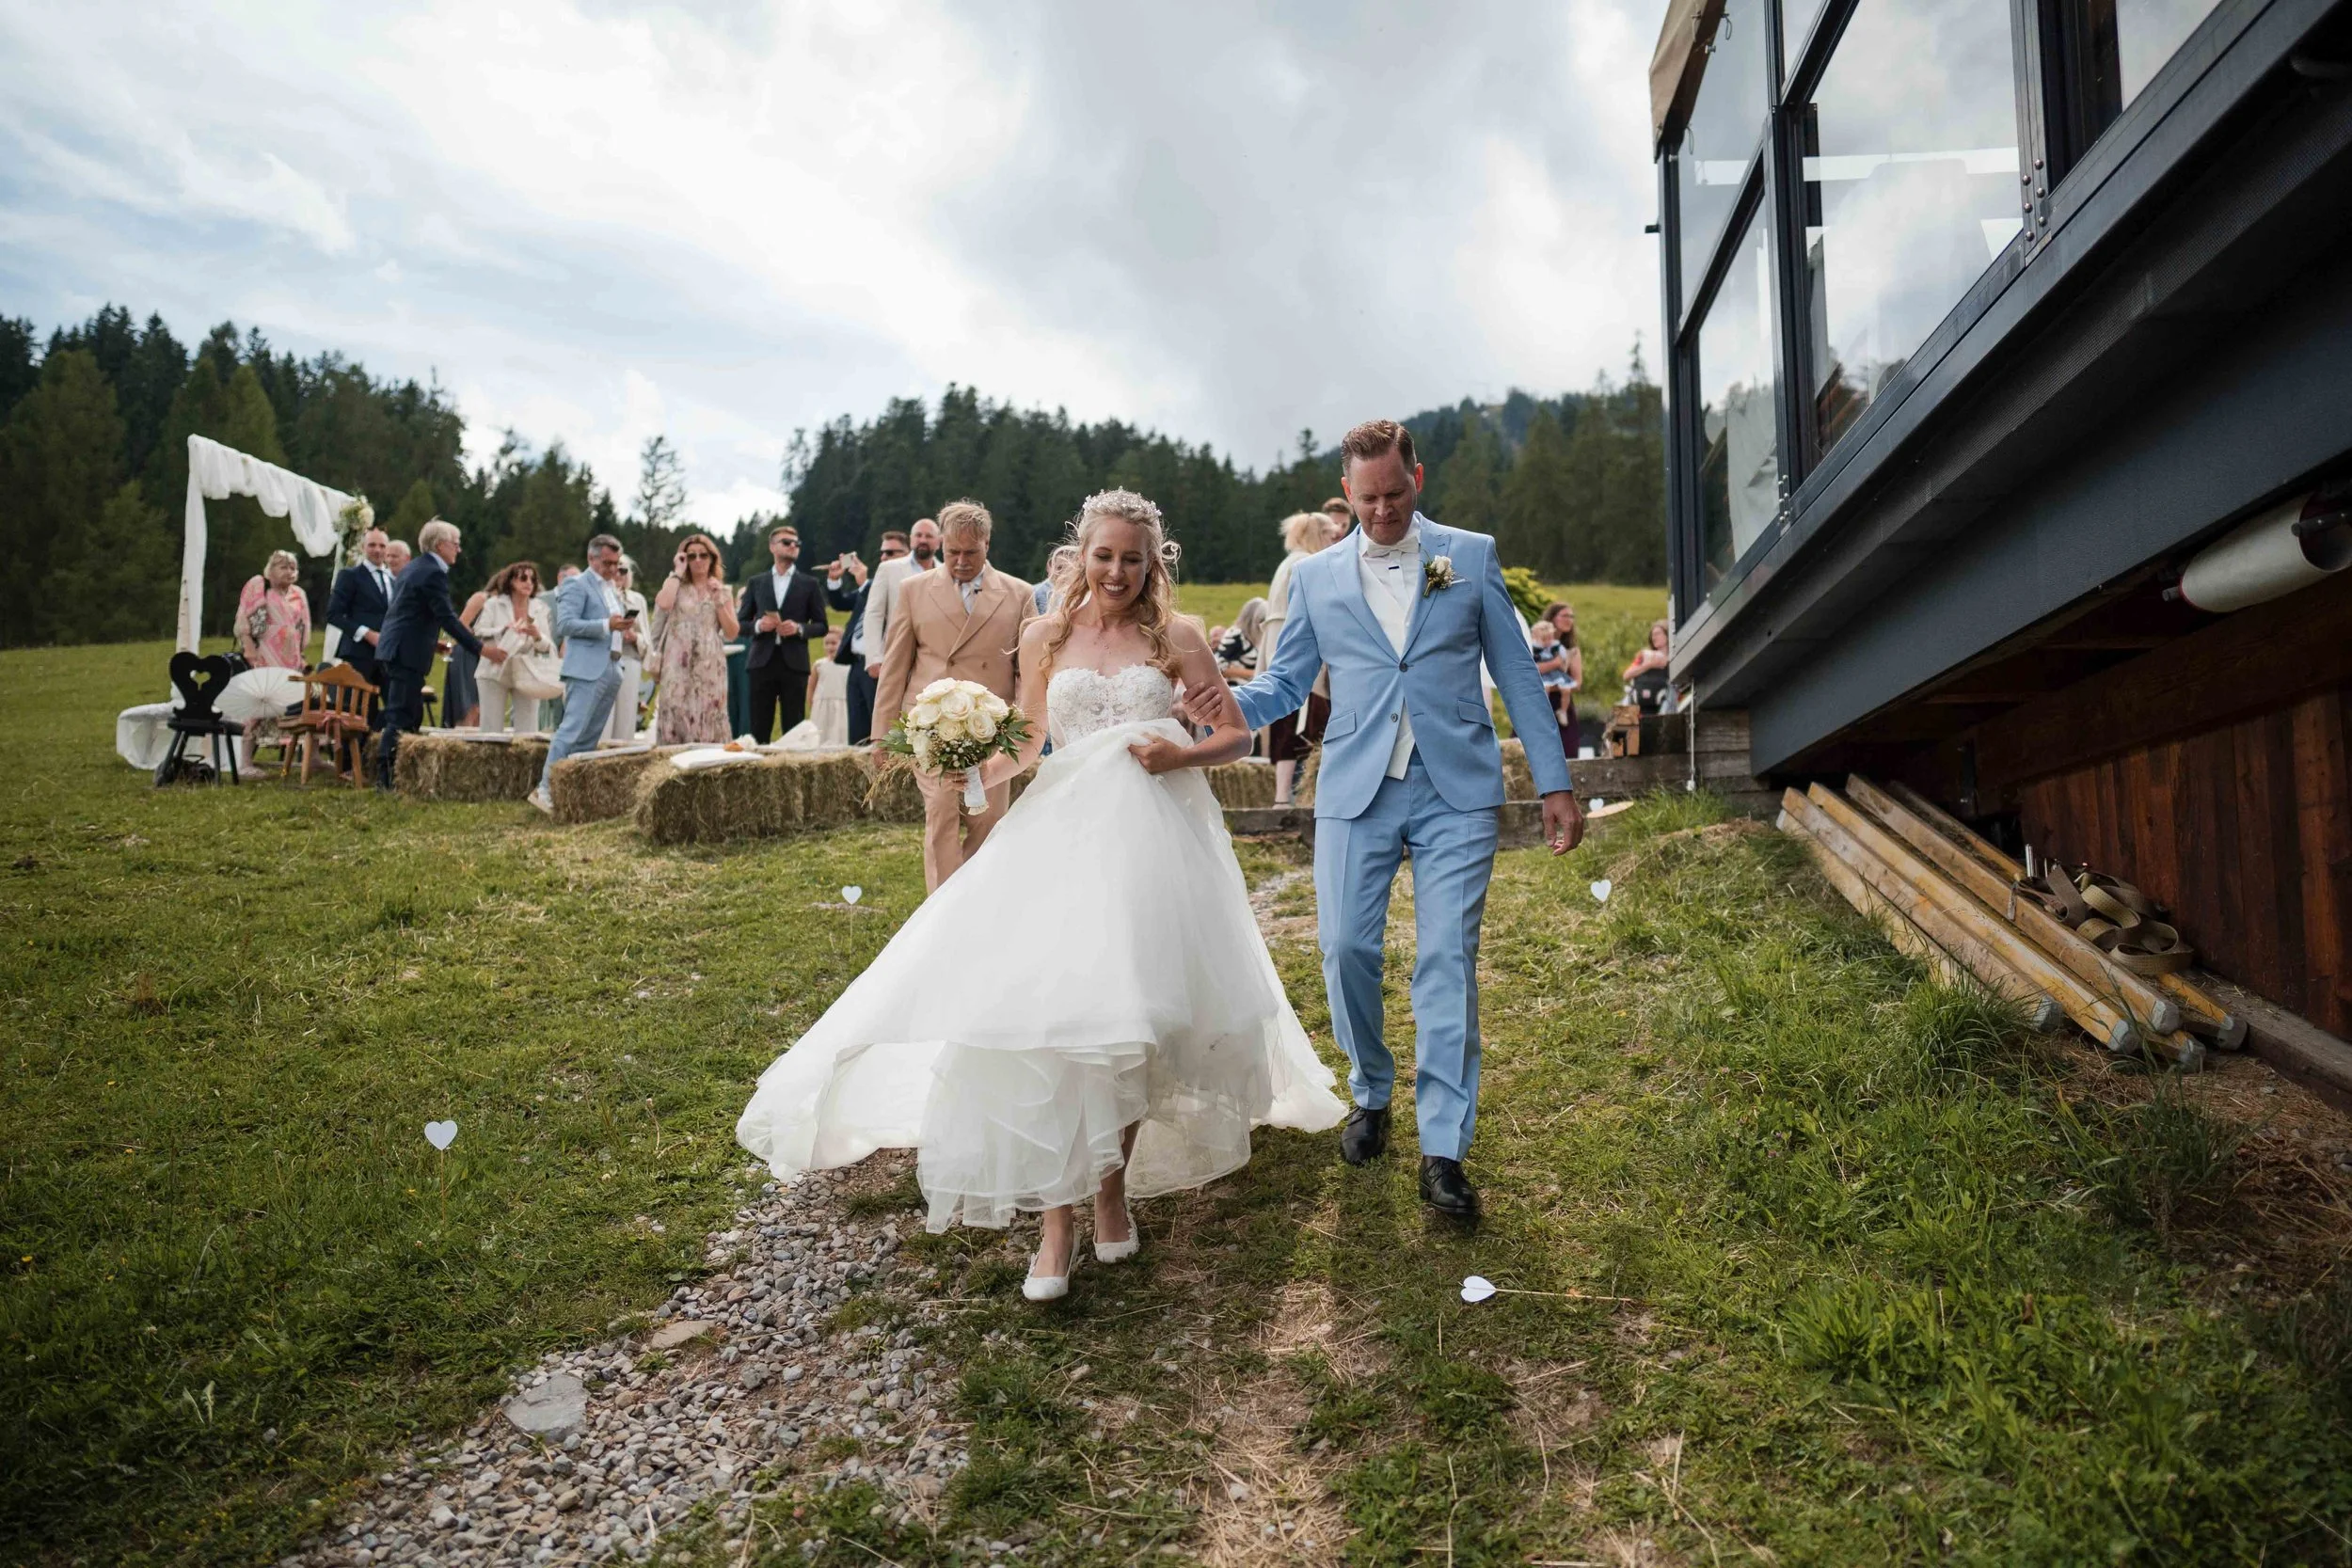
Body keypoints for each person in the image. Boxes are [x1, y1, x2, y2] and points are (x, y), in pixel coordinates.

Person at [738, 487, 1345, 1302]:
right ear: (1081, 555)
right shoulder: (1042, 633)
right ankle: (1056, 1228)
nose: (1119, 571)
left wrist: (1180, 756)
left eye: (1134, 557)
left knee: (1131, 1026)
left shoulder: (1180, 640)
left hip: (1151, 843)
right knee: (1053, 1024)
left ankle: (1110, 1186)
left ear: (1152, 561)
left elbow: (1235, 735)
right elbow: (1028, 738)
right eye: (1105, 555)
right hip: (1062, 836)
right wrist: (967, 765)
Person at [1194, 419, 1582, 1224]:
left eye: (1394, 495)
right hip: (1356, 786)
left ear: (1419, 477)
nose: (1381, 513)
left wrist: (1555, 783)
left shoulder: (1468, 556)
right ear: (1346, 494)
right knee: (1343, 949)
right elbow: (1287, 681)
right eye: (1366, 499)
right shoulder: (1316, 578)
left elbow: (1515, 673)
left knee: (1446, 959)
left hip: (1457, 788)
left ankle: (1444, 1150)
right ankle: (1371, 1089)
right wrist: (1223, 703)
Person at [870, 500, 1034, 892]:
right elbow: (894, 667)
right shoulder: (913, 591)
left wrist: (1022, 729)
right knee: (942, 814)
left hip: (991, 731)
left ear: (987, 544)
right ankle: (940, 912)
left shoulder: (1019, 594)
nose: (960, 561)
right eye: (952, 552)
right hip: (930, 731)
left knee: (988, 820)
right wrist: (880, 735)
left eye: (970, 552)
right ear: (941, 544)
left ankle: (972, 902)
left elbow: (1025, 673)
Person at [376, 520, 504, 790]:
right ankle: (384, 780)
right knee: (400, 717)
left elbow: (411, 614)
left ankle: (400, 777)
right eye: (454, 543)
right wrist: (482, 649)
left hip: (401, 648)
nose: (458, 548)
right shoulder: (432, 572)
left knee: (409, 715)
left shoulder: (415, 568)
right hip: (404, 653)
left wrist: (432, 644)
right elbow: (448, 618)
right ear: (439, 545)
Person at [529, 534, 637, 814]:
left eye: (616, 564)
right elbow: (566, 625)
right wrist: (606, 624)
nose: (613, 569)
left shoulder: (612, 589)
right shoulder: (577, 585)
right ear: (591, 559)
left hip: (612, 667)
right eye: (607, 563)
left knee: (590, 736)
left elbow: (610, 625)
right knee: (570, 731)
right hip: (586, 668)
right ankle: (544, 789)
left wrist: (622, 627)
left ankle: (571, 791)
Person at [1261, 510, 1341, 806]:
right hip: (1295, 653)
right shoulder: (1302, 564)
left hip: (1281, 649)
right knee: (1298, 725)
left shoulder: (1289, 563)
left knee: (1292, 723)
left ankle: (1288, 796)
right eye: (1329, 536)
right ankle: (1285, 797)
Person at [737, 524, 830, 741]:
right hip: (761, 662)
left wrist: (798, 628)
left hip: (794, 663)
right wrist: (759, 625)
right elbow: (740, 624)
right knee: (759, 726)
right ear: (772, 547)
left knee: (794, 727)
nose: (793, 546)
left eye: (796, 543)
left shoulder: (809, 584)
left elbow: (822, 625)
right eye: (786, 542)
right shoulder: (756, 582)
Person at [651, 531, 739, 745]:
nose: (698, 560)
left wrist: (719, 601)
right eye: (691, 556)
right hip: (677, 659)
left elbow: (732, 632)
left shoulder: (721, 589)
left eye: (703, 555)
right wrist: (678, 571)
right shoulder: (676, 584)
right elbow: (663, 604)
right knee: (675, 705)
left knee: (709, 709)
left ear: (712, 558)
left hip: (710, 662)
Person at [832, 531, 903, 744]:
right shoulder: (872, 585)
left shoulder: (908, 585)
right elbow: (841, 603)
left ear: (906, 555)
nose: (883, 558)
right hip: (856, 665)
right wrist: (834, 581)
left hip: (882, 665)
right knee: (857, 731)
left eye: (889, 553)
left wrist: (864, 583)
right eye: (882, 553)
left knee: (881, 731)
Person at [467, 562, 554, 735]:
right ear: (511, 582)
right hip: (494, 667)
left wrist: (537, 635)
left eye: (532, 579)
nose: (529, 582)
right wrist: (504, 630)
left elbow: (548, 647)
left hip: (526, 670)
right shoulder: (494, 604)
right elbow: (478, 632)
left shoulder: (541, 608)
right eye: (523, 578)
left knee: (528, 730)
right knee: (490, 728)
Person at [860, 515, 942, 699]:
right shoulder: (889, 569)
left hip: (935, 658)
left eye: (928, 536)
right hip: (896, 655)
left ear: (939, 541)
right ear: (911, 539)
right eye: (918, 535)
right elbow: (874, 613)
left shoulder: (947, 572)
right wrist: (873, 657)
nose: (923, 540)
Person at [324, 528, 394, 692]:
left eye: (382, 546)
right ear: (363, 548)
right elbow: (333, 614)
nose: (377, 550)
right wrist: (366, 634)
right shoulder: (350, 576)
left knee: (396, 706)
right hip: (358, 654)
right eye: (372, 545)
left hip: (387, 655)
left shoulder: (393, 580)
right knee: (359, 709)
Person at [236, 549, 311, 670]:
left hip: (291, 657)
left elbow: (305, 626)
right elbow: (242, 619)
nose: (289, 572)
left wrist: (301, 650)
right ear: (271, 569)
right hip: (262, 654)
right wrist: (248, 648)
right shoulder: (259, 585)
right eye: (283, 568)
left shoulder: (299, 593)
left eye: (293, 568)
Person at [608, 557, 651, 742]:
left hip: (630, 658)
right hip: (605, 659)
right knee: (604, 716)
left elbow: (647, 639)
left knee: (626, 714)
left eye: (624, 570)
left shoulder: (637, 599)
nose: (619, 574)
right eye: (615, 569)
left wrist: (634, 637)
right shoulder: (601, 595)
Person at [809, 627, 850, 745]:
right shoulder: (819, 665)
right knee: (821, 734)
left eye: (833, 643)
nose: (829, 647)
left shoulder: (848, 666)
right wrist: (813, 705)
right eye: (826, 643)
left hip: (842, 706)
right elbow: (811, 687)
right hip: (821, 707)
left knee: (840, 734)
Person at [1623, 618, 1672, 713]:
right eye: (1652, 635)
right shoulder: (1644, 655)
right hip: (1638, 699)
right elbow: (1626, 675)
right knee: (1623, 705)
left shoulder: (1674, 657)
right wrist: (1648, 665)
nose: (1654, 638)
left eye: (1657, 634)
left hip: (1663, 700)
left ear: (1667, 636)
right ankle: (1621, 727)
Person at [1216, 597, 1266, 683]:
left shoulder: (1261, 636)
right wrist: (1257, 673)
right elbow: (1221, 667)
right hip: (1238, 688)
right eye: (1262, 620)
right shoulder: (1236, 634)